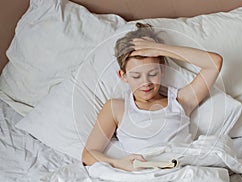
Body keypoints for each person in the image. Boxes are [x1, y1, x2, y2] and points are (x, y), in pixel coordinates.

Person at [82, 23, 223, 171]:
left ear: (162, 70)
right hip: (143, 173)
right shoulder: (116, 108)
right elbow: (88, 154)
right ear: (123, 76)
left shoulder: (180, 100)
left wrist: (160, 49)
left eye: (152, 74)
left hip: (181, 169)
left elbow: (214, 63)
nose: (146, 83)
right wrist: (119, 163)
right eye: (136, 76)